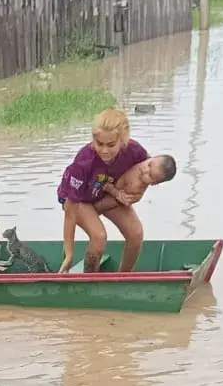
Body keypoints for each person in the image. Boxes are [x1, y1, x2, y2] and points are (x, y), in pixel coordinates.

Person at [57, 109, 152, 274]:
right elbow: (70, 210)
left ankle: (123, 278)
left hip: (105, 193)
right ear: (93, 139)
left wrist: (138, 193)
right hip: (80, 200)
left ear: (123, 141)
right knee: (99, 237)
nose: (104, 151)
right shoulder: (84, 161)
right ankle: (89, 282)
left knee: (136, 233)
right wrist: (69, 254)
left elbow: (150, 170)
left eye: (111, 145)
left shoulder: (134, 151)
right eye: (99, 144)